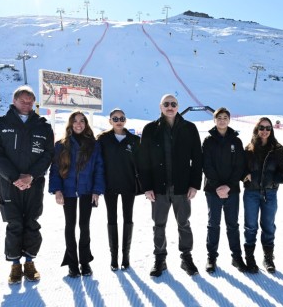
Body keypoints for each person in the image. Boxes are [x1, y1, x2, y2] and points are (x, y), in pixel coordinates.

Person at [0, 85, 54, 285]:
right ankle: (15, 265)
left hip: (35, 183)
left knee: (32, 222)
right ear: (14, 101)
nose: (27, 104)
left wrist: (31, 176)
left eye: (30, 101)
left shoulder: (43, 126)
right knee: (14, 223)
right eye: (23, 100)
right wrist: (15, 177)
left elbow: (48, 154)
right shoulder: (0, 124)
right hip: (9, 184)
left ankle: (30, 262)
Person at [138, 94, 203, 277]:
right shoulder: (150, 129)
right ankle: (160, 259)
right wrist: (147, 187)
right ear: (160, 107)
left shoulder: (189, 128)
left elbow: (197, 159)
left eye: (173, 104)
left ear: (178, 106)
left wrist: (194, 184)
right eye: (166, 104)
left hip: (182, 187)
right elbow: (143, 160)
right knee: (159, 224)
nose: (170, 107)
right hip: (158, 188)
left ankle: (186, 257)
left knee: (184, 223)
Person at [48, 111, 105, 278]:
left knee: (84, 226)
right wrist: (57, 190)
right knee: (70, 226)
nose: (78, 124)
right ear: (70, 124)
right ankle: (72, 264)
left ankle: (85, 261)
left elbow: (99, 169)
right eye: (75, 121)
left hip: (87, 191)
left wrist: (96, 191)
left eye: (82, 121)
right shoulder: (61, 145)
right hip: (68, 191)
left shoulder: (94, 145)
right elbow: (55, 170)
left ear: (86, 124)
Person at [202, 107, 247, 273]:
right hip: (212, 190)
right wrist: (217, 186)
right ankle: (211, 257)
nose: (222, 120)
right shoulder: (208, 140)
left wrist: (228, 186)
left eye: (225, 117)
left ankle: (237, 257)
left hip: (232, 190)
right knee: (213, 224)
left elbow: (239, 166)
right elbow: (206, 165)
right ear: (214, 120)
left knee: (232, 225)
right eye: (219, 117)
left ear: (229, 120)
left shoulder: (236, 141)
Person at [242, 117, 283, 274]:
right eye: (262, 128)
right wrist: (244, 176)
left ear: (272, 130)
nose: (265, 131)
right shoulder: (248, 149)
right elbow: (240, 168)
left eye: (268, 128)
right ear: (257, 129)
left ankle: (268, 258)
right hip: (251, 193)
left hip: (270, 193)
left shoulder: (277, 149)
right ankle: (249, 257)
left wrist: (273, 180)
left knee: (268, 226)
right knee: (251, 226)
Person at [97, 108, 141, 271]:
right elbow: (98, 163)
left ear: (125, 120)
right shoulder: (103, 139)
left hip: (128, 185)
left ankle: (126, 256)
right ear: (110, 121)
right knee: (112, 220)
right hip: (110, 186)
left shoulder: (134, 140)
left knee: (128, 220)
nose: (118, 121)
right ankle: (114, 257)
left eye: (121, 118)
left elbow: (141, 164)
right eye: (115, 118)